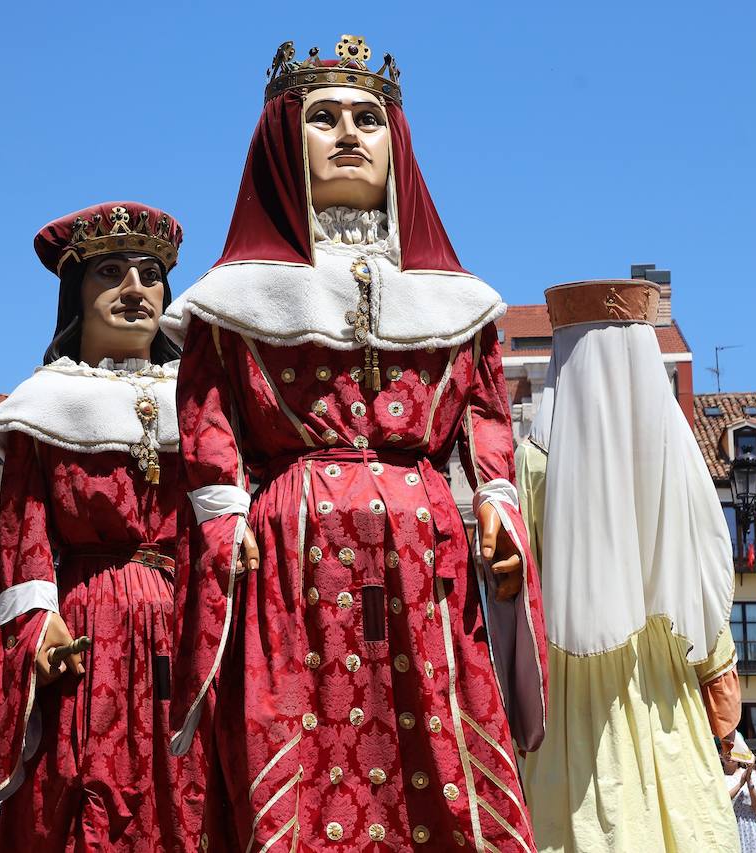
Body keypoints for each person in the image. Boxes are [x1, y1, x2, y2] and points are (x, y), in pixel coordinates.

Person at [162, 35, 547, 851]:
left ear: (395, 144)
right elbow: (207, 421)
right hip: (288, 556)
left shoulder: (457, 301)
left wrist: (497, 511)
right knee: (299, 754)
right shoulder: (230, 303)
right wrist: (226, 517)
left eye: (368, 119)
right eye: (324, 117)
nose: (348, 133)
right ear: (282, 141)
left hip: (426, 553)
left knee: (439, 753)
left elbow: (484, 417)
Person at [0, 201, 212, 849]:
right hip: (89, 624)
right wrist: (37, 624)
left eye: (150, 274)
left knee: (189, 791)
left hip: (183, 624)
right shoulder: (43, 404)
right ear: (75, 293)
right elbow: (23, 536)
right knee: (89, 786)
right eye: (111, 272)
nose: (135, 290)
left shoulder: (200, 402)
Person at [514, 277, 742, 850]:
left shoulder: (533, 463)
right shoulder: (674, 452)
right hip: (665, 689)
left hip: (568, 700)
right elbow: (704, 576)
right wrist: (718, 682)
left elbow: (515, 593)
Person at [724, 736, 756, 853]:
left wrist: (749, 783)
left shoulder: (751, 774)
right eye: (725, 750)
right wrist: (740, 784)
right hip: (728, 827)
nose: (729, 754)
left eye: (733, 750)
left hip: (750, 826)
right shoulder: (718, 776)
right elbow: (722, 802)